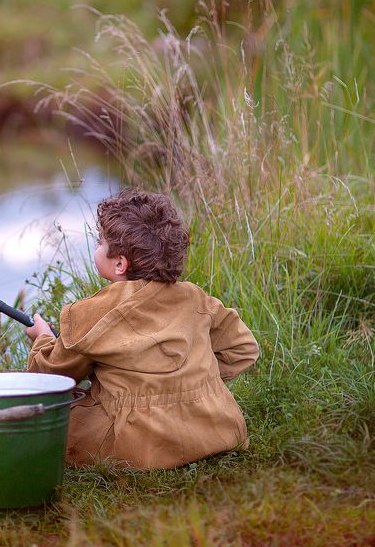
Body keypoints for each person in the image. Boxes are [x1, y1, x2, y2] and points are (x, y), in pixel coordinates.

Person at [25, 189, 259, 469]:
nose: (95, 247)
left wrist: (43, 340)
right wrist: (192, 384)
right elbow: (244, 349)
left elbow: (50, 379)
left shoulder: (91, 313)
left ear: (120, 264)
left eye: (99, 242)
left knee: (50, 421)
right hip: (217, 430)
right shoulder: (195, 298)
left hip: (136, 447)